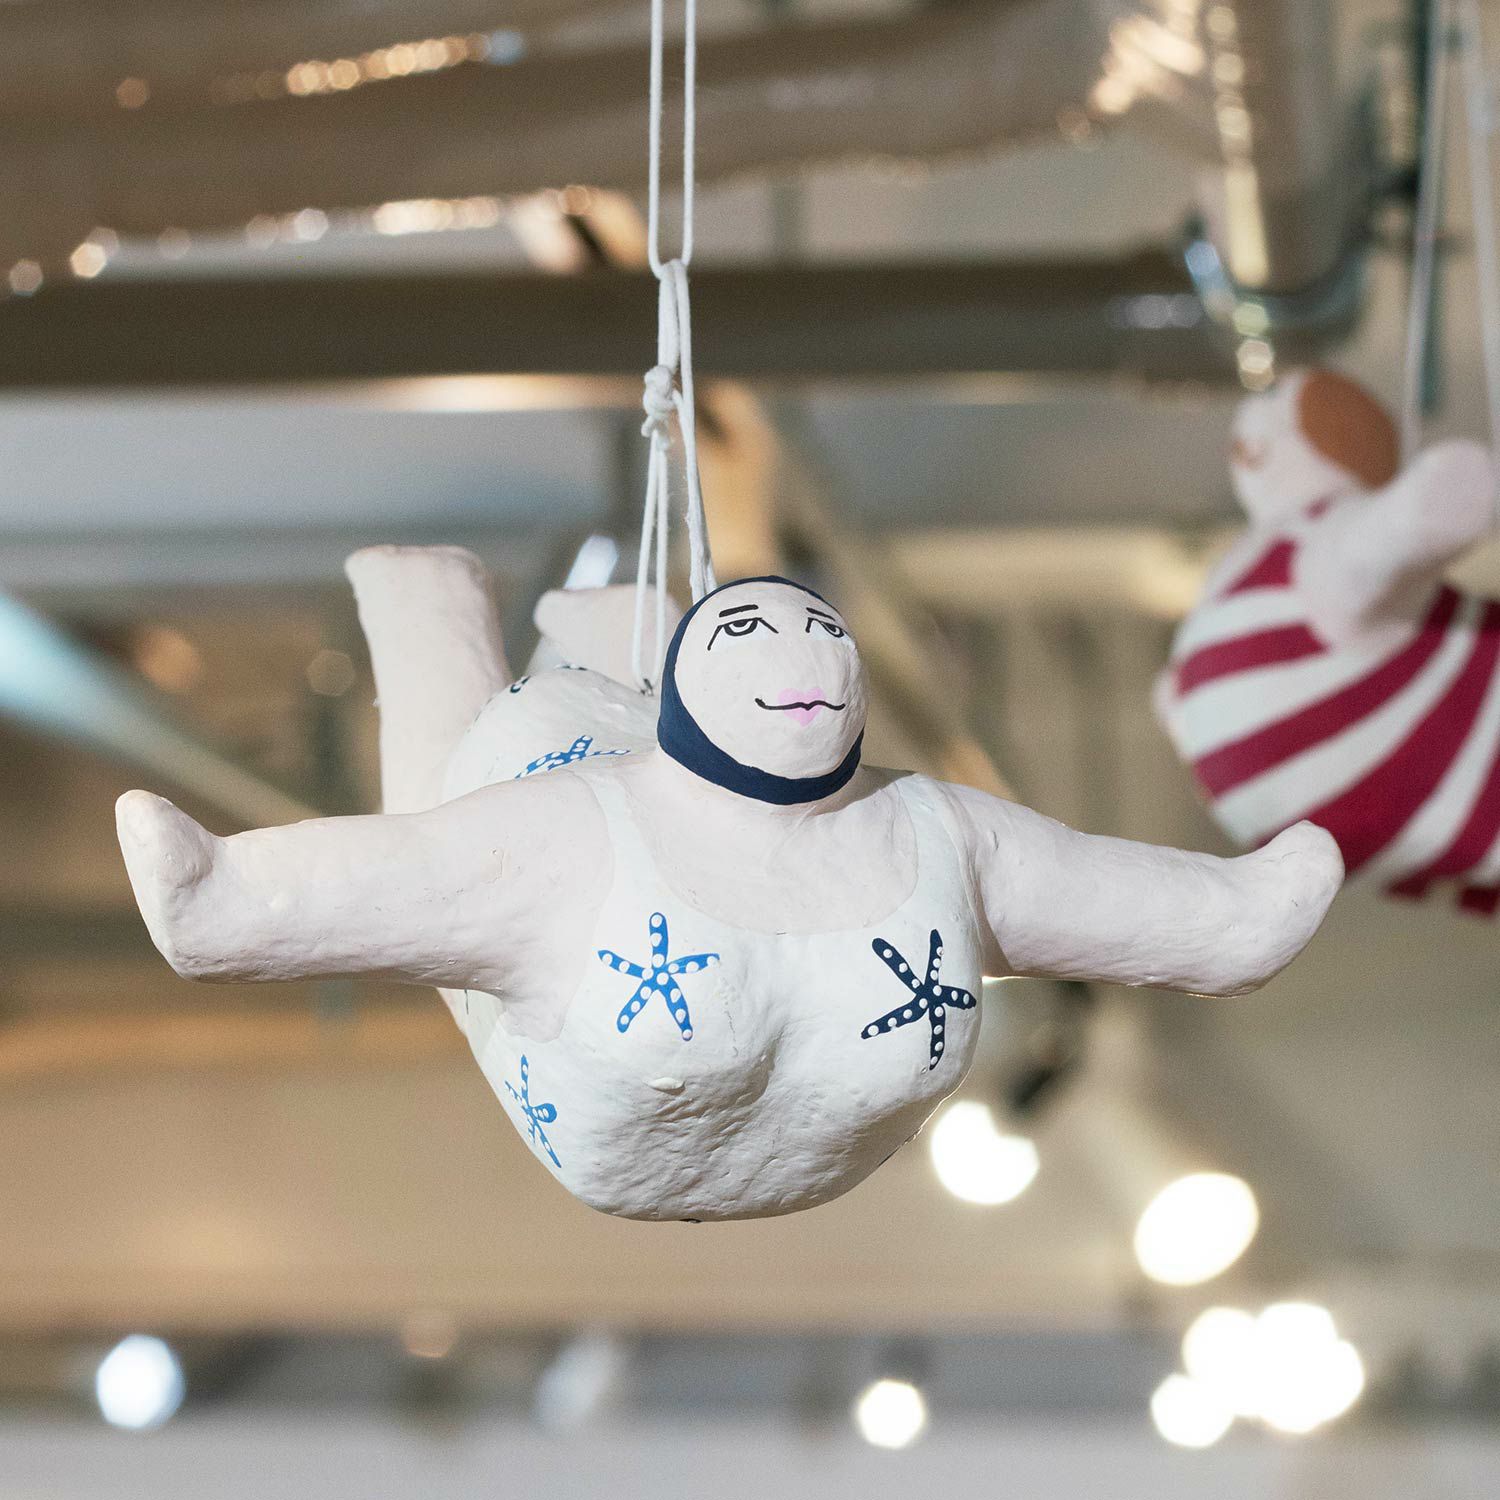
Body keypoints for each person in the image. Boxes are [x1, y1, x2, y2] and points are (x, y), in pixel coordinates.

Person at [117, 551, 1342, 1221]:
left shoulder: (934, 830)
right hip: (560, 791)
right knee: (456, 799)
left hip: (727, 1069)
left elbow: (1114, 898)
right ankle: (443, 600)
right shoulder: (564, 838)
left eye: (817, 646)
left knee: (534, 758)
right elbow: (391, 879)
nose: (802, 672)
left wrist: (1238, 921)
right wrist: (219, 898)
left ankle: (611, 618)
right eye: (751, 640)